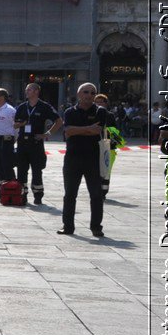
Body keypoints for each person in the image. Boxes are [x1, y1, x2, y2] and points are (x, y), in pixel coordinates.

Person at [58, 83, 112, 238]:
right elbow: (68, 132)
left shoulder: (101, 111)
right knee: (70, 194)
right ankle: (68, 226)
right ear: (79, 93)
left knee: (96, 195)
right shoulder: (69, 111)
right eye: (86, 92)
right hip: (72, 158)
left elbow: (97, 131)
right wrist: (87, 129)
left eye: (92, 92)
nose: (89, 95)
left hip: (93, 159)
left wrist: (77, 130)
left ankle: (96, 227)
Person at [14, 82, 62, 204]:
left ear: (36, 92)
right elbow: (14, 124)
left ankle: (38, 194)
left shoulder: (44, 106)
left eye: (29, 90)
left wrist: (47, 134)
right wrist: (20, 124)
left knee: (37, 170)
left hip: (36, 143)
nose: (26, 92)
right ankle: (22, 193)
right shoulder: (22, 107)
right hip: (22, 143)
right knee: (21, 170)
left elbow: (59, 121)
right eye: (26, 90)